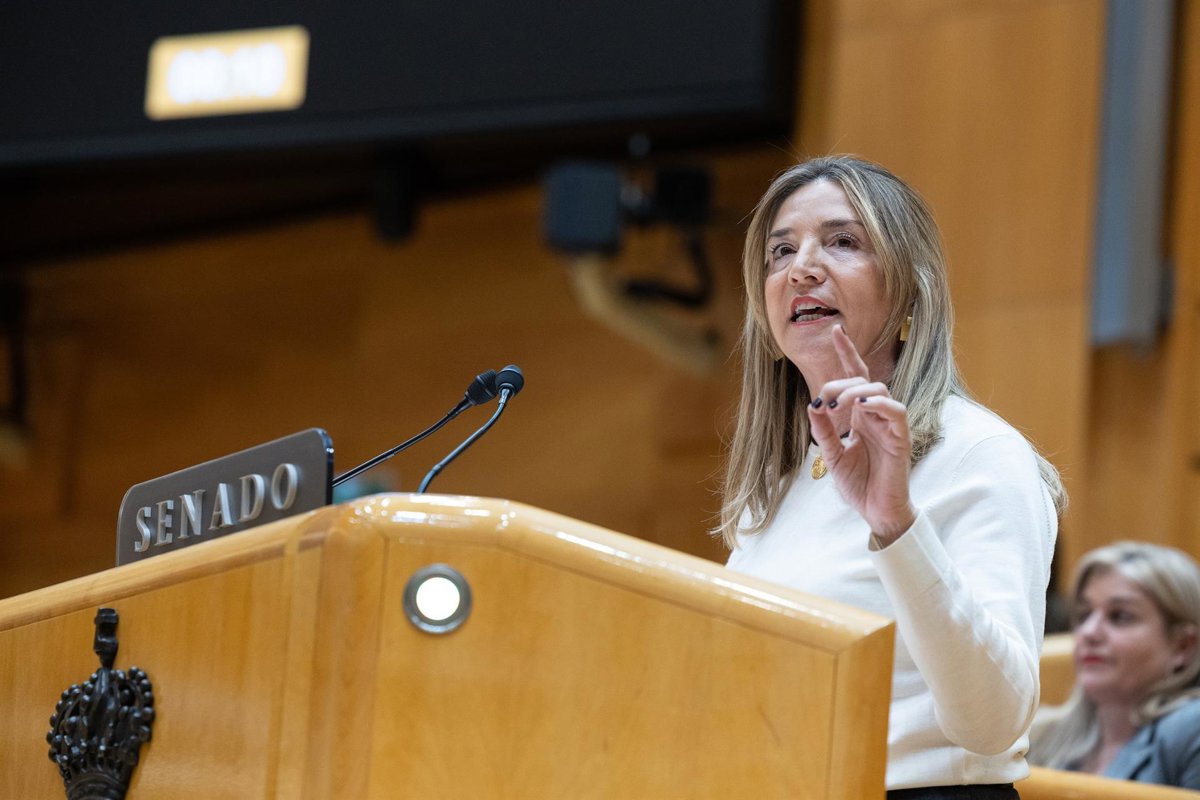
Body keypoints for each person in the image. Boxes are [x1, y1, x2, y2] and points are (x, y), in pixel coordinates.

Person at [718, 155, 1066, 798]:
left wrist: (896, 526)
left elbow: (993, 723)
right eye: (781, 251)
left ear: (909, 290)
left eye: (843, 242)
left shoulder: (980, 453)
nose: (802, 268)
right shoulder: (774, 487)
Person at [1029, 541, 1200, 789]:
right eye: (1084, 614)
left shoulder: (1191, 729)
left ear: (1183, 646)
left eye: (1120, 616)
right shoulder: (1040, 735)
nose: (1088, 632)